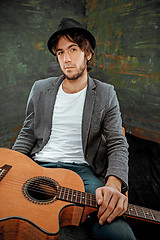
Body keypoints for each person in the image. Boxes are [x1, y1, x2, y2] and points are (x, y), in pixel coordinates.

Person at [12, 18, 136, 239]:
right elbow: (27, 133)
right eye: (60, 52)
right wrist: (12, 166)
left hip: (83, 172)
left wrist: (114, 184)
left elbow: (117, 142)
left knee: (120, 234)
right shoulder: (40, 89)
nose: (66, 59)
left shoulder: (106, 93)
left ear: (87, 54)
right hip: (38, 167)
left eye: (73, 49)